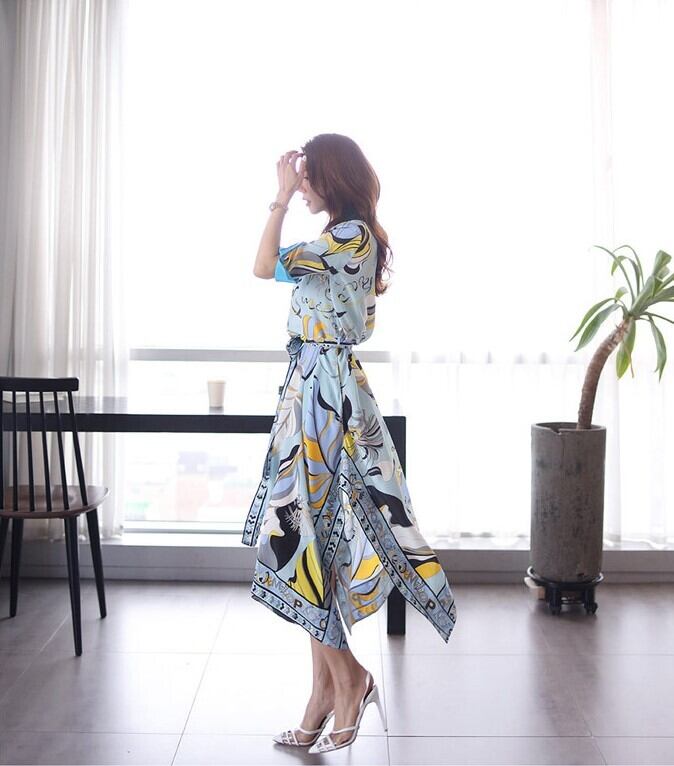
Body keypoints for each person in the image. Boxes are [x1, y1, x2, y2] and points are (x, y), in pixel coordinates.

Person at [241, 133, 457, 753]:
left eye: (308, 177)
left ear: (330, 179)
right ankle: (323, 695)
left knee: (301, 539)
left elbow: (262, 265)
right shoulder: (340, 238)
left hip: (326, 397)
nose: (302, 186)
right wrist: (289, 193)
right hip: (312, 389)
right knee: (310, 539)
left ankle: (351, 681)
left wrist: (279, 198)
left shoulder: (349, 238)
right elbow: (273, 269)